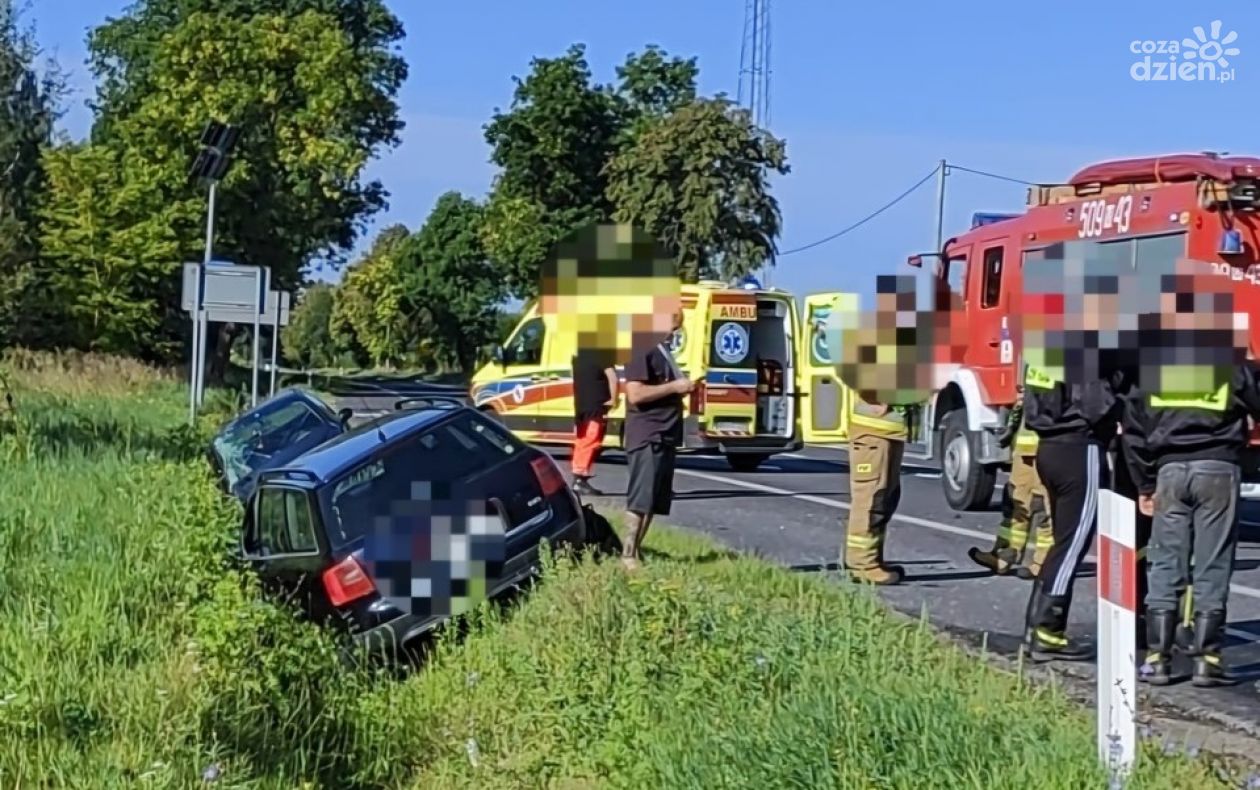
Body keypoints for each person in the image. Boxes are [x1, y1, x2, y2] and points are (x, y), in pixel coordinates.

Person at [1121, 361, 1260, 687]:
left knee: (1166, 563)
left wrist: (1145, 483)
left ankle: (1157, 660)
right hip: (1218, 469)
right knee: (1213, 563)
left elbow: (1134, 430)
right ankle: (1207, 661)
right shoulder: (1229, 366)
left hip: (1169, 472)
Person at [1020, 360, 1131, 661]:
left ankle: (1036, 626)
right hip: (1079, 450)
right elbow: (1095, 405)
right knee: (1071, 547)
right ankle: (1047, 629)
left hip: (1049, 448)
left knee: (1062, 544)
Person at [621, 310, 692, 571]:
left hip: (666, 434)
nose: (674, 334)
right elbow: (636, 393)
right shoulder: (641, 348)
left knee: (654, 499)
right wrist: (675, 387)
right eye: (672, 327)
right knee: (641, 497)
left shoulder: (662, 350)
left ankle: (636, 550)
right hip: (648, 434)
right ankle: (627, 555)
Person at [969, 384, 1054, 579]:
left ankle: (1043, 562)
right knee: (1015, 503)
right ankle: (1003, 556)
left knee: (1043, 507)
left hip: (1046, 446)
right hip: (1024, 446)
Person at [844, 393, 909, 585]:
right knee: (871, 498)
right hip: (872, 429)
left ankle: (874, 559)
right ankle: (862, 564)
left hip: (887, 429)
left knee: (886, 497)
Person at [570, 347, 620, 496]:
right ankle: (579, 478)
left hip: (582, 405)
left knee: (583, 439)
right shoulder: (602, 353)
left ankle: (578, 476)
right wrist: (614, 399)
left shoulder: (579, 354)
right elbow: (612, 377)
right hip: (596, 404)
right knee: (591, 439)